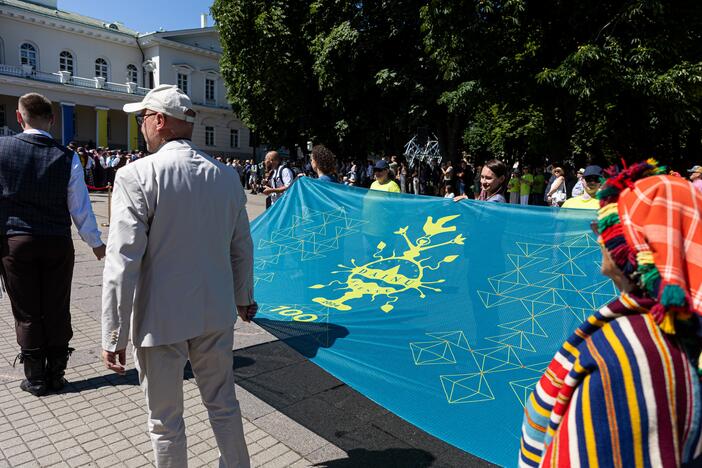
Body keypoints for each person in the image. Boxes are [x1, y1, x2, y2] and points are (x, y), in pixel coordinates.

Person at [102, 85, 256, 467]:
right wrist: (243, 297)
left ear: (159, 121)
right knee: (224, 404)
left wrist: (114, 332)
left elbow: (122, 260)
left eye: (142, 119)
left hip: (161, 317)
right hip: (215, 311)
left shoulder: (136, 175)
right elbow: (242, 247)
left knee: (165, 421)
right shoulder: (225, 176)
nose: (141, 127)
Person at [520, 161, 702, 467]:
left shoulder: (630, 353)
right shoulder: (663, 334)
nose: (598, 237)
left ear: (632, 243)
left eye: (605, 227)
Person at [0, 93, 105, 396]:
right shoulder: (67, 155)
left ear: (19, 118)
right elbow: (80, 207)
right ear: (53, 120)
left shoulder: (3, 148)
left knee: (27, 310)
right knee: (57, 308)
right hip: (57, 242)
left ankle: (35, 379)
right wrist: (96, 244)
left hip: (15, 243)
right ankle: (56, 374)